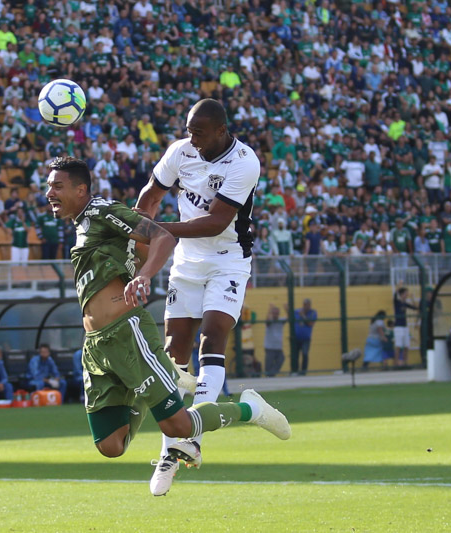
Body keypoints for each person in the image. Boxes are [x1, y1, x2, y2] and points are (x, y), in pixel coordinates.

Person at [46, 155, 289, 499]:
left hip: (127, 332)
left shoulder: (101, 211)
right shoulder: (83, 224)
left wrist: (143, 277)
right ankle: (165, 377)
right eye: (48, 186)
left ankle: (251, 410)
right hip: (97, 345)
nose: (49, 192)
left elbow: (161, 237)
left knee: (179, 425)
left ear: (81, 189)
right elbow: (139, 245)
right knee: (111, 445)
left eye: (57, 185)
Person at [134, 99, 262, 492]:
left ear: (221, 131)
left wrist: (162, 231)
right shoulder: (180, 151)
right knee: (175, 356)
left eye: (199, 133)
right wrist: (139, 228)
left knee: (213, 338)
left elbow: (216, 222)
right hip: (186, 262)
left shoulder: (244, 161)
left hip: (227, 259)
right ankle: (175, 443)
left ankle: (185, 443)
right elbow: (152, 194)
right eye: (189, 130)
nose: (192, 138)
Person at [393, 287, 418, 366]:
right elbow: (394, 295)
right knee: (398, 346)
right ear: (401, 294)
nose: (407, 295)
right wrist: (399, 285)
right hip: (398, 327)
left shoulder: (405, 303)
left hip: (405, 326)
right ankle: (396, 363)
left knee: (406, 346)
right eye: (405, 293)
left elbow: (415, 308)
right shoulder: (397, 302)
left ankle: (404, 363)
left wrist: (413, 298)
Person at [292, 298, 317, 375]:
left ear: (310, 305)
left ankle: (303, 372)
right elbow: (290, 315)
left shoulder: (313, 313)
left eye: (307, 305)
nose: (306, 307)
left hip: (306, 338)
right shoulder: (297, 311)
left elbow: (310, 324)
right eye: (304, 305)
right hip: (296, 338)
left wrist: (303, 316)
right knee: (295, 355)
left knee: (305, 354)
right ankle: (295, 371)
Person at [264, 304, 287, 377]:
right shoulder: (270, 321)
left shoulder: (280, 321)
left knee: (281, 359)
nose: (275, 315)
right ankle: (269, 375)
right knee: (269, 364)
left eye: (277, 313)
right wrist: (269, 311)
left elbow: (289, 318)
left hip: (278, 347)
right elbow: (267, 322)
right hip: (270, 347)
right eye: (274, 313)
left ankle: (271, 374)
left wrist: (287, 309)